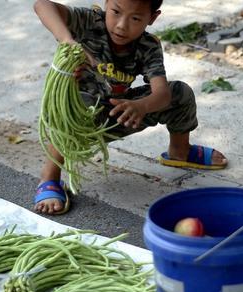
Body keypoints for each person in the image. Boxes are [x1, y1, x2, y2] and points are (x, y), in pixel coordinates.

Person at [33, 0, 228, 215]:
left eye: (135, 18)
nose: (121, 25)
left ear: (152, 18)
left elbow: (162, 95)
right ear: (107, 3)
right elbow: (42, 5)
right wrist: (68, 40)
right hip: (74, 118)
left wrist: (141, 106)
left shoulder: (148, 46)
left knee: (180, 92)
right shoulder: (89, 21)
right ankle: (49, 177)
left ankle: (180, 151)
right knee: (78, 102)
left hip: (121, 113)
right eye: (116, 12)